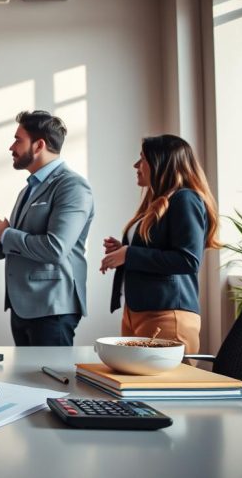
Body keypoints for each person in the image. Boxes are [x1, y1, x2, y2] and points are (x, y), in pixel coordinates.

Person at [0, 110, 95, 346]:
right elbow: (23, 245)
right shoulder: (28, 189)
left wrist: (5, 233)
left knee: (50, 372)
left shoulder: (72, 186)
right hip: (22, 307)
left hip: (52, 308)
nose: (11, 147)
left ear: (39, 145)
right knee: (26, 372)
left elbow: (55, 248)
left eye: (18, 140)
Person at [100, 134, 221, 354]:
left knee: (167, 379)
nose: (136, 165)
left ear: (161, 163)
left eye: (142, 159)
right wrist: (123, 250)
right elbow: (155, 249)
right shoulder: (157, 202)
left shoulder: (185, 199)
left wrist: (129, 254)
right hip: (137, 311)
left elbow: (188, 260)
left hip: (166, 316)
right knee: (132, 377)